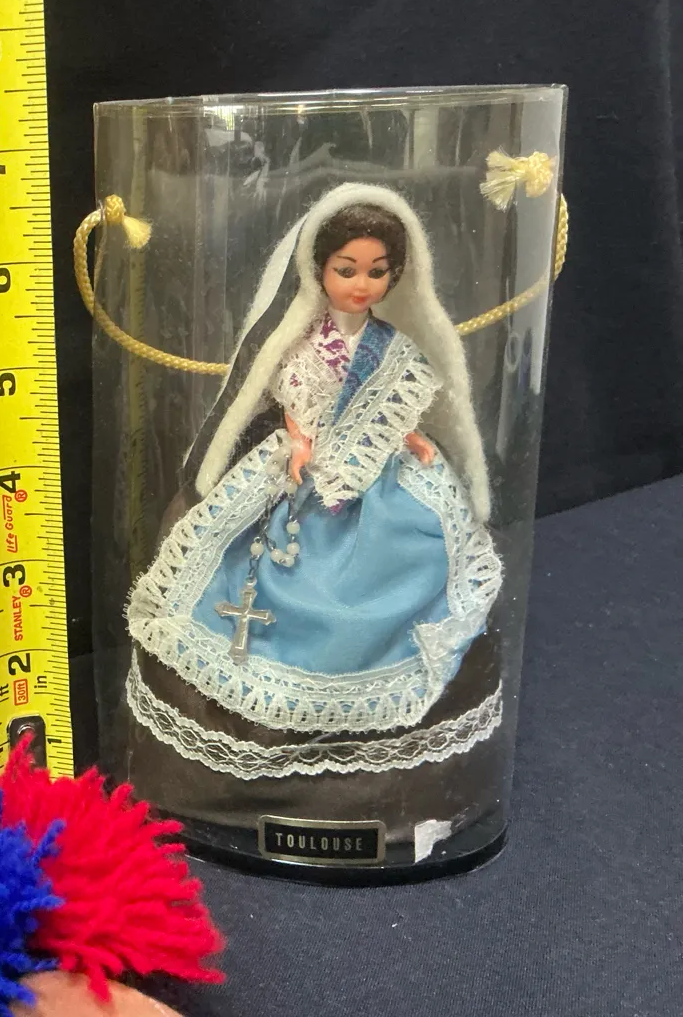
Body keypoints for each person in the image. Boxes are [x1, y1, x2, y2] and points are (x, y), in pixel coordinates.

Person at [127, 184, 503, 779]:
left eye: (377, 271)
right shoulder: (306, 342)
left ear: (395, 275)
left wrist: (411, 437)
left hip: (379, 477)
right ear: (319, 270)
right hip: (308, 471)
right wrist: (299, 443)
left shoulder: (391, 344)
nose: (361, 284)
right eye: (346, 270)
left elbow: (391, 406)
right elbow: (293, 400)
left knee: (423, 542)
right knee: (277, 554)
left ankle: (377, 653)